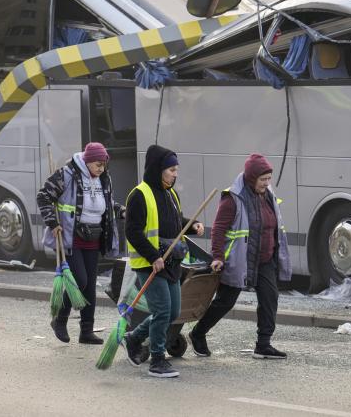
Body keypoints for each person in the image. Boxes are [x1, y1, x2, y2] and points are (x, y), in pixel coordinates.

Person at [188, 153, 291, 360]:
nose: (267, 183)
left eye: (269, 179)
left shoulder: (267, 194)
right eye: (263, 180)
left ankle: (263, 344)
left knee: (270, 298)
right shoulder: (233, 198)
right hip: (239, 260)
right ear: (252, 178)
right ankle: (198, 333)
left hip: (264, 260)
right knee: (225, 302)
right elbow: (218, 229)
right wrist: (217, 256)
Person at [122, 144, 204, 378]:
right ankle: (157, 360)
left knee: (173, 311)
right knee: (162, 311)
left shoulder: (171, 193)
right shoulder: (139, 194)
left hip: (171, 261)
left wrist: (192, 224)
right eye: (171, 170)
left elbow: (175, 220)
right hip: (150, 263)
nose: (175, 174)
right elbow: (133, 231)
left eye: (176, 169)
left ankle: (133, 338)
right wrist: (153, 256)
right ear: (158, 169)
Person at [37, 142, 124, 345]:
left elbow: (107, 203)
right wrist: (52, 222)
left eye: (103, 164)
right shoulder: (67, 174)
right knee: (80, 281)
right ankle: (60, 319)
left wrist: (121, 211)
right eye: (97, 164)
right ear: (87, 161)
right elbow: (44, 196)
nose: (101, 168)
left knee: (89, 287)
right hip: (71, 238)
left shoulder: (104, 179)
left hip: (93, 238)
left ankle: (86, 331)